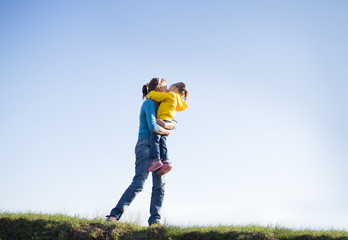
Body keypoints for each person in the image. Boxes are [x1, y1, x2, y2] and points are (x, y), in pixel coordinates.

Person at [106, 78, 176, 225]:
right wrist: (166, 129)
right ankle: (114, 215)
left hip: (159, 150)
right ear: (158, 88)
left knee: (160, 186)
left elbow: (174, 123)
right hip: (145, 145)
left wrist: (166, 125)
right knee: (139, 183)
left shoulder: (166, 103)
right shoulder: (149, 103)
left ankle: (155, 221)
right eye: (164, 85)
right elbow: (152, 126)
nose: (167, 87)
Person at [147, 81, 189, 175]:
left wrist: (150, 93)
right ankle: (166, 162)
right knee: (163, 142)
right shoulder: (178, 100)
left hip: (162, 120)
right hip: (168, 121)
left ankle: (156, 160)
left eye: (169, 87)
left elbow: (158, 97)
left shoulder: (171, 95)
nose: (168, 89)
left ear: (174, 87)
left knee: (155, 139)